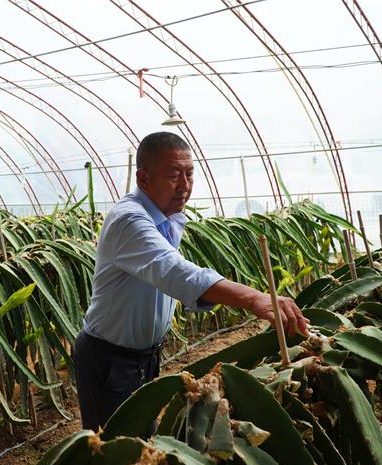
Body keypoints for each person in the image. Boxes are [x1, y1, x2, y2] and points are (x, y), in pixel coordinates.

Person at [73, 131, 309, 431]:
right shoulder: (129, 220)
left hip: (143, 357)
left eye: (189, 174)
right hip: (110, 360)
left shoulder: (163, 217)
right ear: (144, 179)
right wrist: (253, 298)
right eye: (174, 175)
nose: (184, 185)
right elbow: (176, 272)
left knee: (141, 439)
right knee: (111, 446)